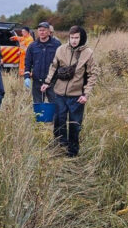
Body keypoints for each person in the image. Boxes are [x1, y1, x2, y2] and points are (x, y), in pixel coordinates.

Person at [41, 26, 97, 157]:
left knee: (74, 124)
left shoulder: (88, 53)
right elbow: (53, 67)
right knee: (59, 121)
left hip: (77, 96)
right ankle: (60, 146)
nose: (74, 40)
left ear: (81, 38)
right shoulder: (60, 50)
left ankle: (72, 151)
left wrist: (86, 94)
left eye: (77, 38)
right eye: (72, 37)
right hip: (59, 94)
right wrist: (47, 82)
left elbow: (93, 75)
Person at [24, 22, 61, 103]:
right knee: (38, 106)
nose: (42, 32)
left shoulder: (56, 45)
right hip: (37, 81)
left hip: (52, 82)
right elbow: (28, 62)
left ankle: (53, 116)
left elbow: (61, 62)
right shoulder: (32, 46)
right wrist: (27, 76)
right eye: (40, 30)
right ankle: (40, 116)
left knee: (55, 106)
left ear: (48, 31)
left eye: (44, 30)